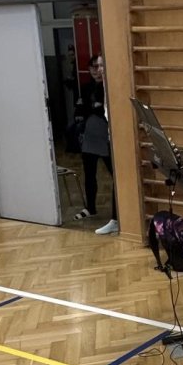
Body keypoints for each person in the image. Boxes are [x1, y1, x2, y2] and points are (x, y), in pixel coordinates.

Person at [75, 54, 118, 235]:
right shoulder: (87, 87)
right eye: (94, 66)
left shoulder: (110, 86)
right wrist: (93, 107)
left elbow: (102, 110)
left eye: (100, 66)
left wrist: (94, 107)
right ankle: (90, 207)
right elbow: (82, 108)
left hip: (106, 136)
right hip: (91, 135)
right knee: (89, 172)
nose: (97, 70)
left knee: (116, 175)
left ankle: (117, 216)